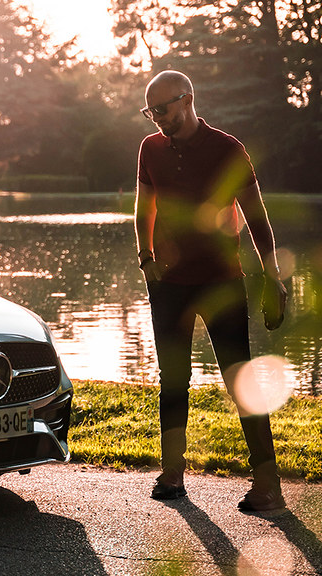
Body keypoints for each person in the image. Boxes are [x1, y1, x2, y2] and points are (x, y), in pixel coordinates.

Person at [134, 70, 287, 512]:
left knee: (240, 377)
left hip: (222, 281)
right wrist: (145, 258)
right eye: (150, 112)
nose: (157, 119)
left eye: (162, 109)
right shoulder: (150, 148)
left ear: (188, 100)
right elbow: (145, 207)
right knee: (173, 381)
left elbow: (257, 218)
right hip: (168, 285)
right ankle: (173, 474)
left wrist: (272, 276)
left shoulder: (228, 149)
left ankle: (267, 483)